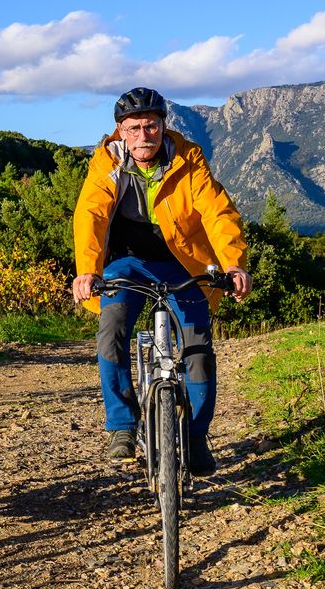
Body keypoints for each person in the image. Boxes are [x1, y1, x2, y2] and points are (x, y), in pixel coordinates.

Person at [71, 87, 251, 477]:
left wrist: (233, 264)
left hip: (182, 264)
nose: (143, 136)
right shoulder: (107, 163)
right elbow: (90, 214)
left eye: (150, 127)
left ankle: (196, 436)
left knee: (198, 348)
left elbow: (218, 212)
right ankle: (121, 426)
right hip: (126, 264)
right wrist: (88, 269)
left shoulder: (189, 160)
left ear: (163, 126)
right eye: (133, 128)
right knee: (112, 327)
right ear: (120, 131)